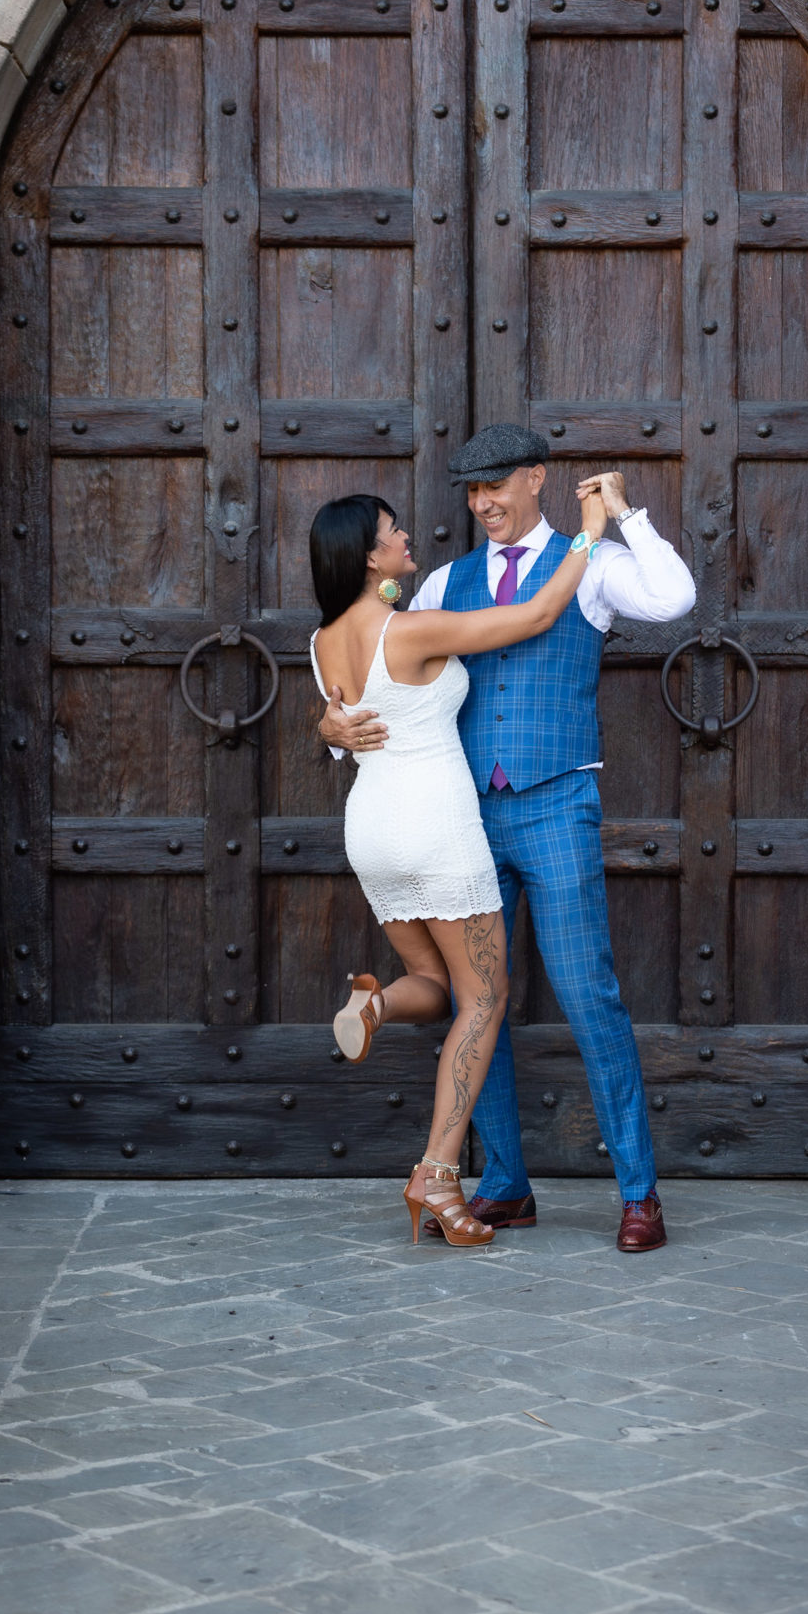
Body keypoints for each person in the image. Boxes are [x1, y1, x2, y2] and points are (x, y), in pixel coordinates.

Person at [320, 425, 695, 1252]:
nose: (483, 503)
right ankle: (505, 1185)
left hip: (557, 805)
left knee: (590, 997)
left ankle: (639, 1193)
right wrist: (332, 725)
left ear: (537, 478)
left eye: (497, 485)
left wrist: (627, 518)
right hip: (460, 820)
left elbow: (672, 600)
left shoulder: (589, 565)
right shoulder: (441, 583)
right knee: (470, 999)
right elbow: (369, 674)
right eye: (471, 491)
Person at [308, 483, 609, 1247]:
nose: (406, 536)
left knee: (438, 987)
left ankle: (372, 1005)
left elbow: (340, 726)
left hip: (372, 826)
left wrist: (325, 721)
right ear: (368, 554)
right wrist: (588, 537)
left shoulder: (322, 641)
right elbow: (537, 615)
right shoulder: (410, 629)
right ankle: (438, 1172)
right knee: (485, 998)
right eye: (391, 531)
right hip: (436, 825)